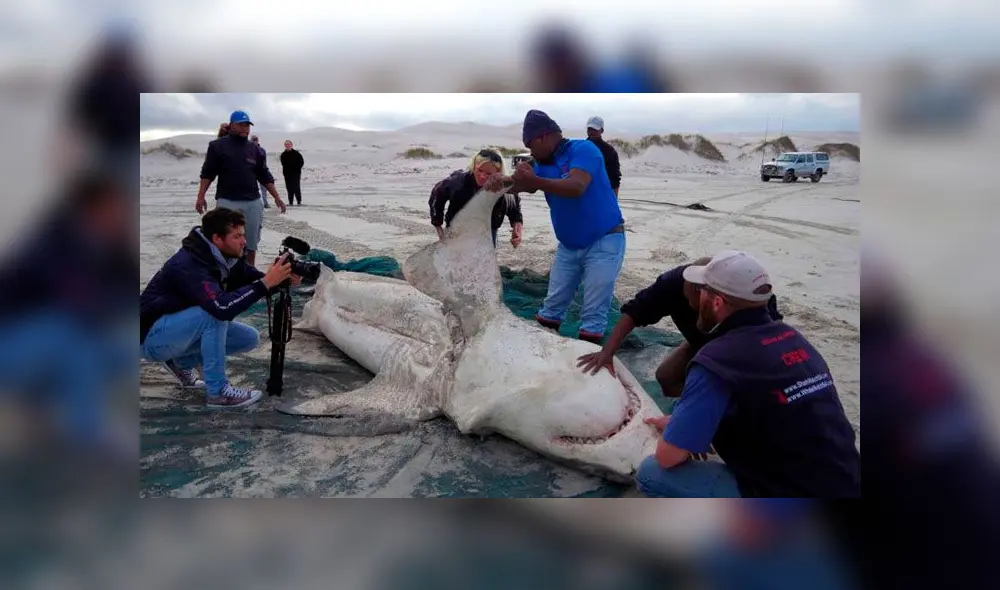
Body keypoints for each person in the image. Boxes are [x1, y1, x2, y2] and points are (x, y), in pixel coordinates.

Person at [634, 250, 861, 497]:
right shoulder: (794, 339)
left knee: (652, 473)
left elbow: (668, 457)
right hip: (847, 478)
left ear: (717, 302)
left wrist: (677, 437)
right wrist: (681, 422)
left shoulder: (717, 359)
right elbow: (773, 406)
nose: (697, 301)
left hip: (789, 493)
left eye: (703, 292)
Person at [139, 208, 301, 408]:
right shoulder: (189, 263)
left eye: (243, 234)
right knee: (214, 314)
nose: (244, 241)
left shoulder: (227, 258)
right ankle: (218, 393)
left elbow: (257, 281)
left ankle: (180, 362)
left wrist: (282, 279)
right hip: (149, 336)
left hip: (174, 331)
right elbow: (222, 308)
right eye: (237, 236)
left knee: (248, 338)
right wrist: (266, 283)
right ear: (217, 238)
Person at [578, 256, 783, 397]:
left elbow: (773, 337)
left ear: (715, 296)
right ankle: (692, 407)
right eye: (687, 296)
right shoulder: (673, 283)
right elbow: (633, 312)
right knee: (666, 376)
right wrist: (608, 352)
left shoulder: (748, 293)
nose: (690, 303)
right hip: (698, 340)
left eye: (696, 301)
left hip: (743, 352)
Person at [509, 110, 626, 344]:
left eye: (530, 144)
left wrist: (535, 181)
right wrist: (497, 182)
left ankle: (587, 371)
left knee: (593, 315)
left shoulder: (583, 150)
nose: (530, 151)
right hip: (568, 246)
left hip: (604, 241)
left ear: (543, 137)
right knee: (551, 309)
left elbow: (576, 186)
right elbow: (518, 185)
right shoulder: (541, 163)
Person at [196, 110, 286, 267]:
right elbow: (208, 173)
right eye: (241, 125)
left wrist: (277, 198)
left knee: (250, 242)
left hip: (252, 202)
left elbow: (264, 175)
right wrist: (200, 196)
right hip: (227, 202)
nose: (245, 128)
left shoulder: (255, 150)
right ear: (231, 125)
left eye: (247, 125)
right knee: (226, 240)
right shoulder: (217, 146)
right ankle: (226, 271)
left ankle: (248, 270)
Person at [429, 148, 523, 248]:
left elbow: (515, 211)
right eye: (479, 170)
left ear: (498, 173)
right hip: (457, 230)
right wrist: (439, 229)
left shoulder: (505, 189)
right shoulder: (457, 182)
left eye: (488, 174)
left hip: (488, 231)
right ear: (474, 166)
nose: (482, 176)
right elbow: (436, 195)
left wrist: (517, 231)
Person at [585, 116, 622, 197]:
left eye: (595, 129)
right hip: (583, 192)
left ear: (602, 130)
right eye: (590, 129)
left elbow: (615, 178)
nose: (591, 132)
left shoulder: (609, 151)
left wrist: (614, 201)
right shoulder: (580, 148)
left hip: (601, 193)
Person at [280, 140, 305, 206]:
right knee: (289, 188)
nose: (287, 145)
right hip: (287, 174)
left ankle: (299, 202)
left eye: (288, 144)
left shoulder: (296, 153)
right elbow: (283, 164)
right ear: (285, 146)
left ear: (291, 145)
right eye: (286, 144)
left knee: (296, 187)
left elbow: (301, 162)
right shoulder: (283, 154)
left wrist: (297, 168)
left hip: (296, 174)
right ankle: (290, 202)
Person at [250, 134, 270, 209]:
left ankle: (265, 203)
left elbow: (264, 161)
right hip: (252, 172)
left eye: (255, 140)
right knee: (252, 188)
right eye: (253, 140)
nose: (254, 141)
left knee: (264, 188)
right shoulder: (248, 149)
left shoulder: (262, 150)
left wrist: (264, 170)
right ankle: (254, 203)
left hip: (261, 171)